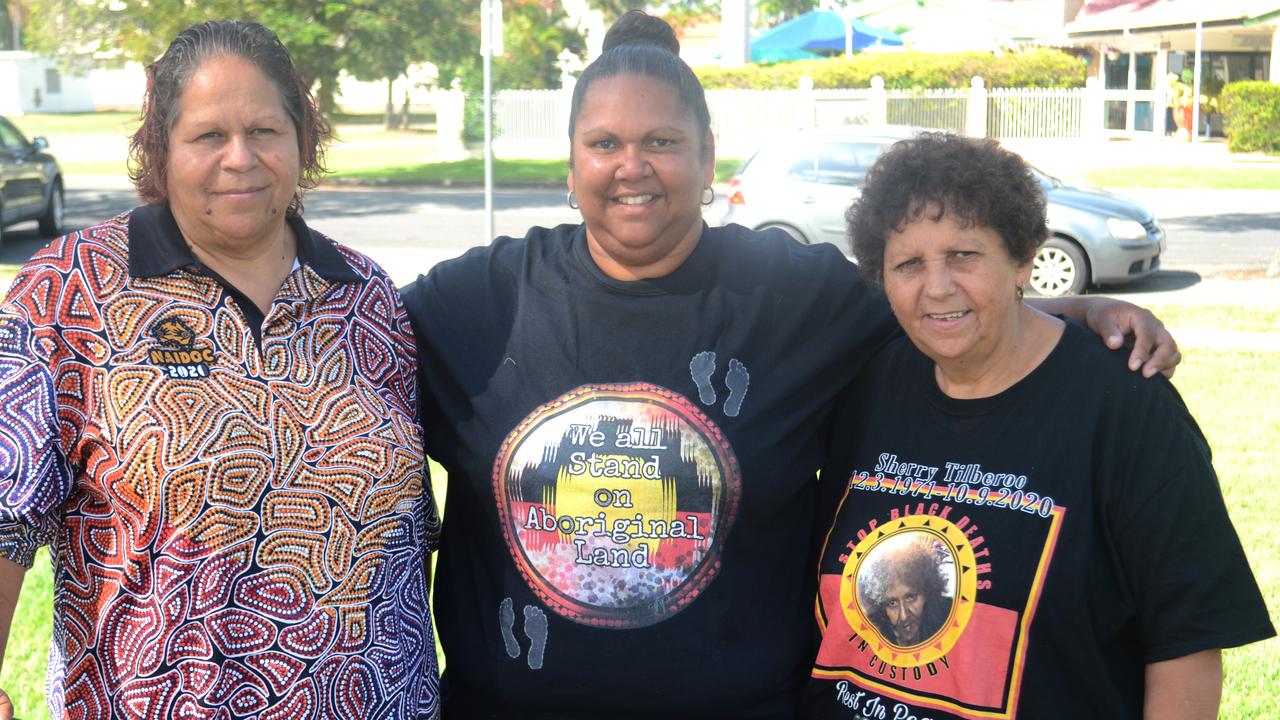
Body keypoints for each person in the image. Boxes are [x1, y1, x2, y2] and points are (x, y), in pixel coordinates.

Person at [400, 12, 1180, 718]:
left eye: (662, 142)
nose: (631, 166)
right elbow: (345, 346)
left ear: (708, 160)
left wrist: (1080, 311)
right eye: (603, 144)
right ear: (570, 167)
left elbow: (937, 312)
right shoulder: (479, 301)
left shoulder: (792, 293)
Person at [0, 21, 440, 719]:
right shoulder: (71, 291)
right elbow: (5, 514)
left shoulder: (366, 295)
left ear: (302, 139)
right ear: (162, 148)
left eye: (265, 130)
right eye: (208, 136)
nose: (241, 159)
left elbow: (415, 525)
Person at [806, 133, 1273, 719]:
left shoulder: (1122, 405)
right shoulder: (869, 384)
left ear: (1024, 258)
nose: (938, 286)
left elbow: (1188, 641)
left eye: (964, 255)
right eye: (908, 264)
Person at [856, 534, 951, 647]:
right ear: (881, 607)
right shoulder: (871, 635)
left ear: (927, 592)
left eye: (911, 597)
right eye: (892, 603)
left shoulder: (948, 618)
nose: (904, 616)